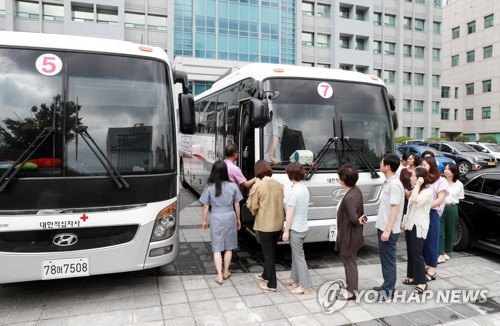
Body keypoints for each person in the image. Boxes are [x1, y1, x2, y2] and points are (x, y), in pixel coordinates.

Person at [199, 161, 243, 285]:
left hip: (216, 217)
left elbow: (205, 205)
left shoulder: (209, 186)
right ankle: (226, 271)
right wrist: (238, 219)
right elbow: (237, 204)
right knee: (229, 246)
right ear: (225, 172)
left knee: (217, 247)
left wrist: (204, 220)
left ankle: (219, 275)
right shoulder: (233, 186)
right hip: (230, 216)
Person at [246, 159, 285, 292]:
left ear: (257, 171)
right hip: (278, 224)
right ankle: (265, 275)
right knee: (271, 251)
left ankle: (272, 284)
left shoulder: (258, 185)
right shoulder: (279, 184)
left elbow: (252, 205)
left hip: (265, 225)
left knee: (268, 254)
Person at [373, 153, 405, 300]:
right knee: (385, 259)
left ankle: (388, 290)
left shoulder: (394, 185)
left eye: (381, 163)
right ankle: (387, 284)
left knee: (389, 260)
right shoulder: (388, 182)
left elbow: (395, 209)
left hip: (389, 230)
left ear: (387, 166)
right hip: (384, 227)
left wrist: (387, 230)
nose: (379, 165)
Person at [335, 164, 366, 300]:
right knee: (351, 261)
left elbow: (353, 218)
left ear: (343, 180)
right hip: (354, 234)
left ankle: (351, 292)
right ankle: (351, 288)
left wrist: (359, 220)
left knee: (348, 262)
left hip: (349, 235)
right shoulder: (356, 190)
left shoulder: (349, 197)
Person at [281, 162, 312, 295]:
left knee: (299, 256)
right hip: (303, 227)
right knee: (296, 254)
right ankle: (294, 279)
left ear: (290, 175)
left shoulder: (294, 191)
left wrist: (286, 230)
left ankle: (304, 286)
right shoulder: (304, 188)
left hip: (296, 229)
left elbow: (290, 213)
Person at [401, 167, 433, 295]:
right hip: (410, 225)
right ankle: (412, 276)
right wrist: (404, 223)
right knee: (410, 252)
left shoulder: (427, 192)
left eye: (413, 176)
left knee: (417, 253)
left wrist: (418, 185)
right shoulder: (417, 190)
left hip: (419, 226)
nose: (410, 178)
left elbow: (415, 200)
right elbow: (410, 207)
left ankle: (422, 282)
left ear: (420, 178)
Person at [420, 156, 448, 281]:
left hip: (432, 212)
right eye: (422, 165)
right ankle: (426, 265)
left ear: (431, 166)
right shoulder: (423, 180)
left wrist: (427, 206)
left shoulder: (441, 181)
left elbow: (440, 199)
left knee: (432, 241)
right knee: (422, 241)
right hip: (421, 213)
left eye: (425, 165)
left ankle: (432, 270)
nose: (423, 167)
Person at [438, 163, 464, 263]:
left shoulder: (459, 184)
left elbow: (459, 198)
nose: (446, 171)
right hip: (440, 206)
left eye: (448, 169)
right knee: (440, 231)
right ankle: (440, 253)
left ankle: (445, 251)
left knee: (450, 231)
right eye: (445, 169)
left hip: (452, 208)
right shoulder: (441, 181)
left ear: (454, 171)